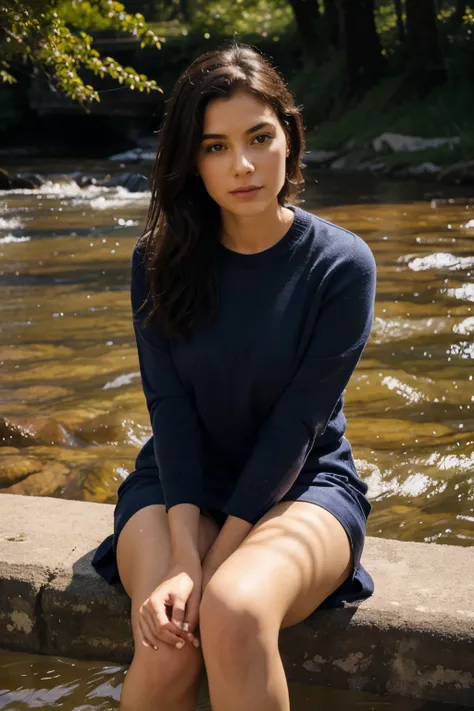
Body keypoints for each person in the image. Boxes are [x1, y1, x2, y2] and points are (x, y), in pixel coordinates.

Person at [91, 40, 377, 711]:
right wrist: (184, 558)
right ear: (191, 159)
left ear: (290, 138)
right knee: (169, 639)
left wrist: (215, 567)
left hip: (303, 484)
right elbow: (170, 410)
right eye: (215, 146)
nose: (242, 165)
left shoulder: (342, 266)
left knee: (234, 610)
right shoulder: (158, 260)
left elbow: (296, 427)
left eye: (259, 137)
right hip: (177, 485)